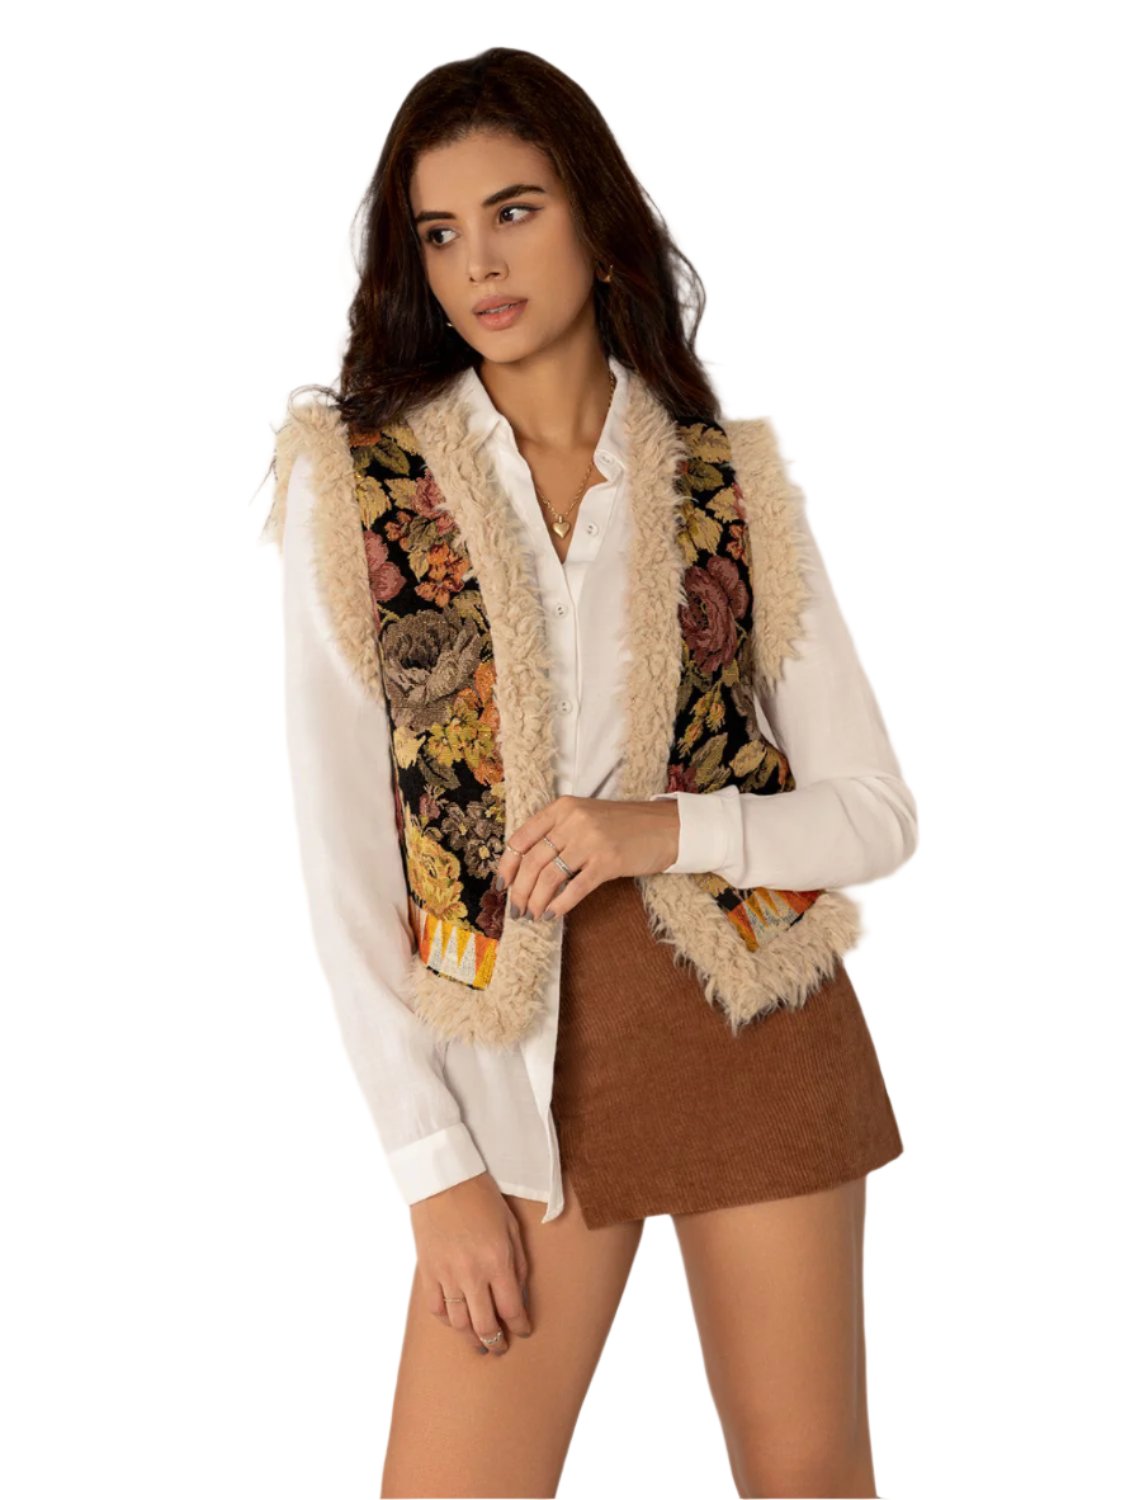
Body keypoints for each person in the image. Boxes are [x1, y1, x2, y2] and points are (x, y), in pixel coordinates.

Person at [264, 46, 918, 1500]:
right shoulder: (361, 487)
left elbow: (873, 816)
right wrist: (434, 1169)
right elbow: (343, 863)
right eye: (441, 233)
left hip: (755, 1024)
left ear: (596, 218)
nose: (481, 264)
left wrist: (654, 829)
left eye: (515, 211)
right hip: (512, 1077)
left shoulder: (723, 482)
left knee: (808, 1480)